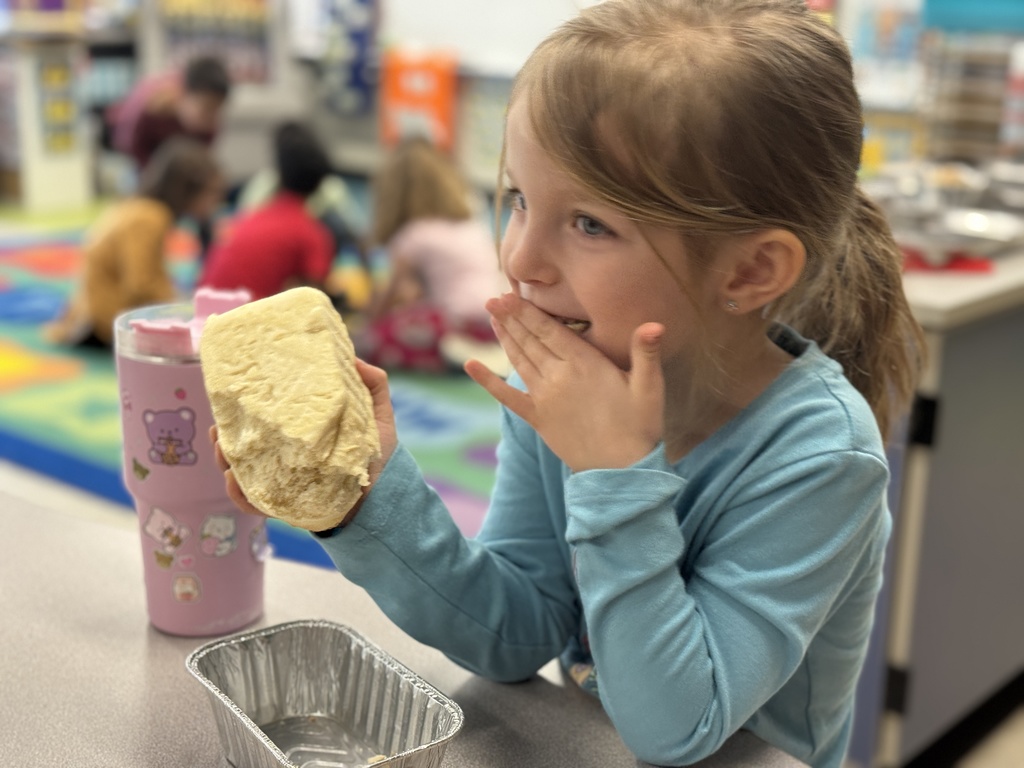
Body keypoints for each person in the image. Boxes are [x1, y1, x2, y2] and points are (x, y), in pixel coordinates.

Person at [213, 1, 925, 766]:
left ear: (750, 270)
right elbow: (516, 636)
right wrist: (368, 500)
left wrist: (614, 476)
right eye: (519, 199)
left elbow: (677, 728)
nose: (521, 258)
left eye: (590, 224)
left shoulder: (822, 455)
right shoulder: (557, 389)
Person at [46, 139, 222, 347]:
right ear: (188, 190)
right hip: (103, 320)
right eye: (212, 194)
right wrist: (182, 305)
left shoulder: (139, 206)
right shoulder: (149, 217)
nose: (215, 203)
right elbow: (141, 284)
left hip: (91, 310)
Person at [357, 137, 505, 371]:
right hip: (496, 322)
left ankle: (457, 350)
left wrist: (367, 322)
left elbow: (387, 296)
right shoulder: (469, 221)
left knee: (373, 339)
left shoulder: (414, 233)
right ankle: (472, 352)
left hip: (460, 323)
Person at [197, 122, 335, 301]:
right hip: (243, 323)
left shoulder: (248, 216)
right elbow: (316, 302)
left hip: (202, 314)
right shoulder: (311, 233)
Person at [107, 54, 232, 171]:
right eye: (206, 108)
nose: (211, 118)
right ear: (184, 94)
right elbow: (127, 143)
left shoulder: (210, 125)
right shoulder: (151, 104)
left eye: (217, 110)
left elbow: (201, 161)